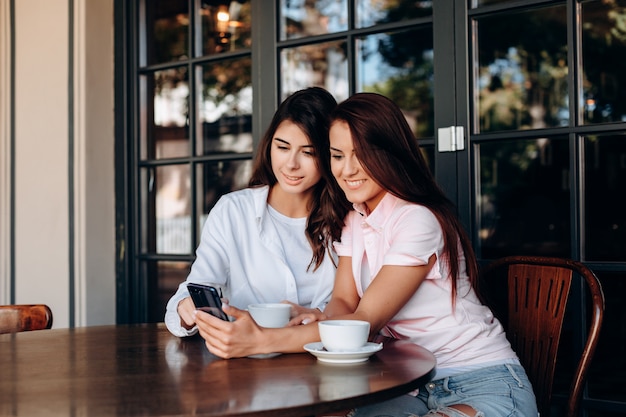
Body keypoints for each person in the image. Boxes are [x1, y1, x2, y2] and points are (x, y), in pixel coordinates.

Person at [195, 93, 538, 417]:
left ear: (391, 153)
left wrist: (259, 341)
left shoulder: (417, 219)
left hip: (482, 380)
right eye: (338, 155)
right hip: (408, 384)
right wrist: (321, 317)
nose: (348, 170)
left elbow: (363, 321)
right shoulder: (354, 218)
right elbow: (343, 303)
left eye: (362, 154)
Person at [164, 87, 350, 337]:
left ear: (329, 156)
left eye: (308, 152)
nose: (291, 164)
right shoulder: (233, 211)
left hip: (322, 360)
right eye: (282, 147)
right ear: (269, 144)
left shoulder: (348, 220)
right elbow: (197, 287)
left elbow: (354, 309)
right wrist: (186, 310)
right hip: (244, 362)